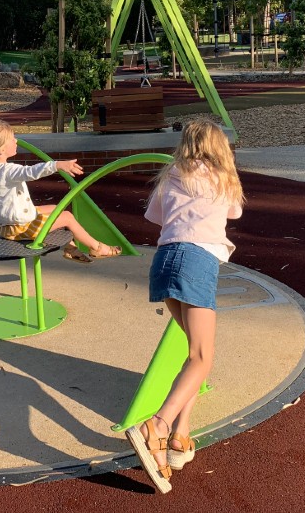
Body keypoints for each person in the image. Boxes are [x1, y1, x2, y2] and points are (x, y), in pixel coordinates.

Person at [125, 118, 244, 493]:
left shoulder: (171, 175)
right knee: (202, 357)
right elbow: (235, 214)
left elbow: (155, 217)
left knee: (192, 354)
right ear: (219, 148)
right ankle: (157, 425)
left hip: (165, 260)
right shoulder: (223, 178)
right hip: (197, 262)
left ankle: (180, 434)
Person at [0, 118, 122, 261]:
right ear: (1, 150)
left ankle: (70, 248)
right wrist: (57, 165)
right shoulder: (6, 171)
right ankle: (97, 248)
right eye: (12, 139)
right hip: (19, 228)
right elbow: (30, 172)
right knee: (66, 217)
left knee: (55, 209)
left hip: (6, 224)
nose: (16, 141)